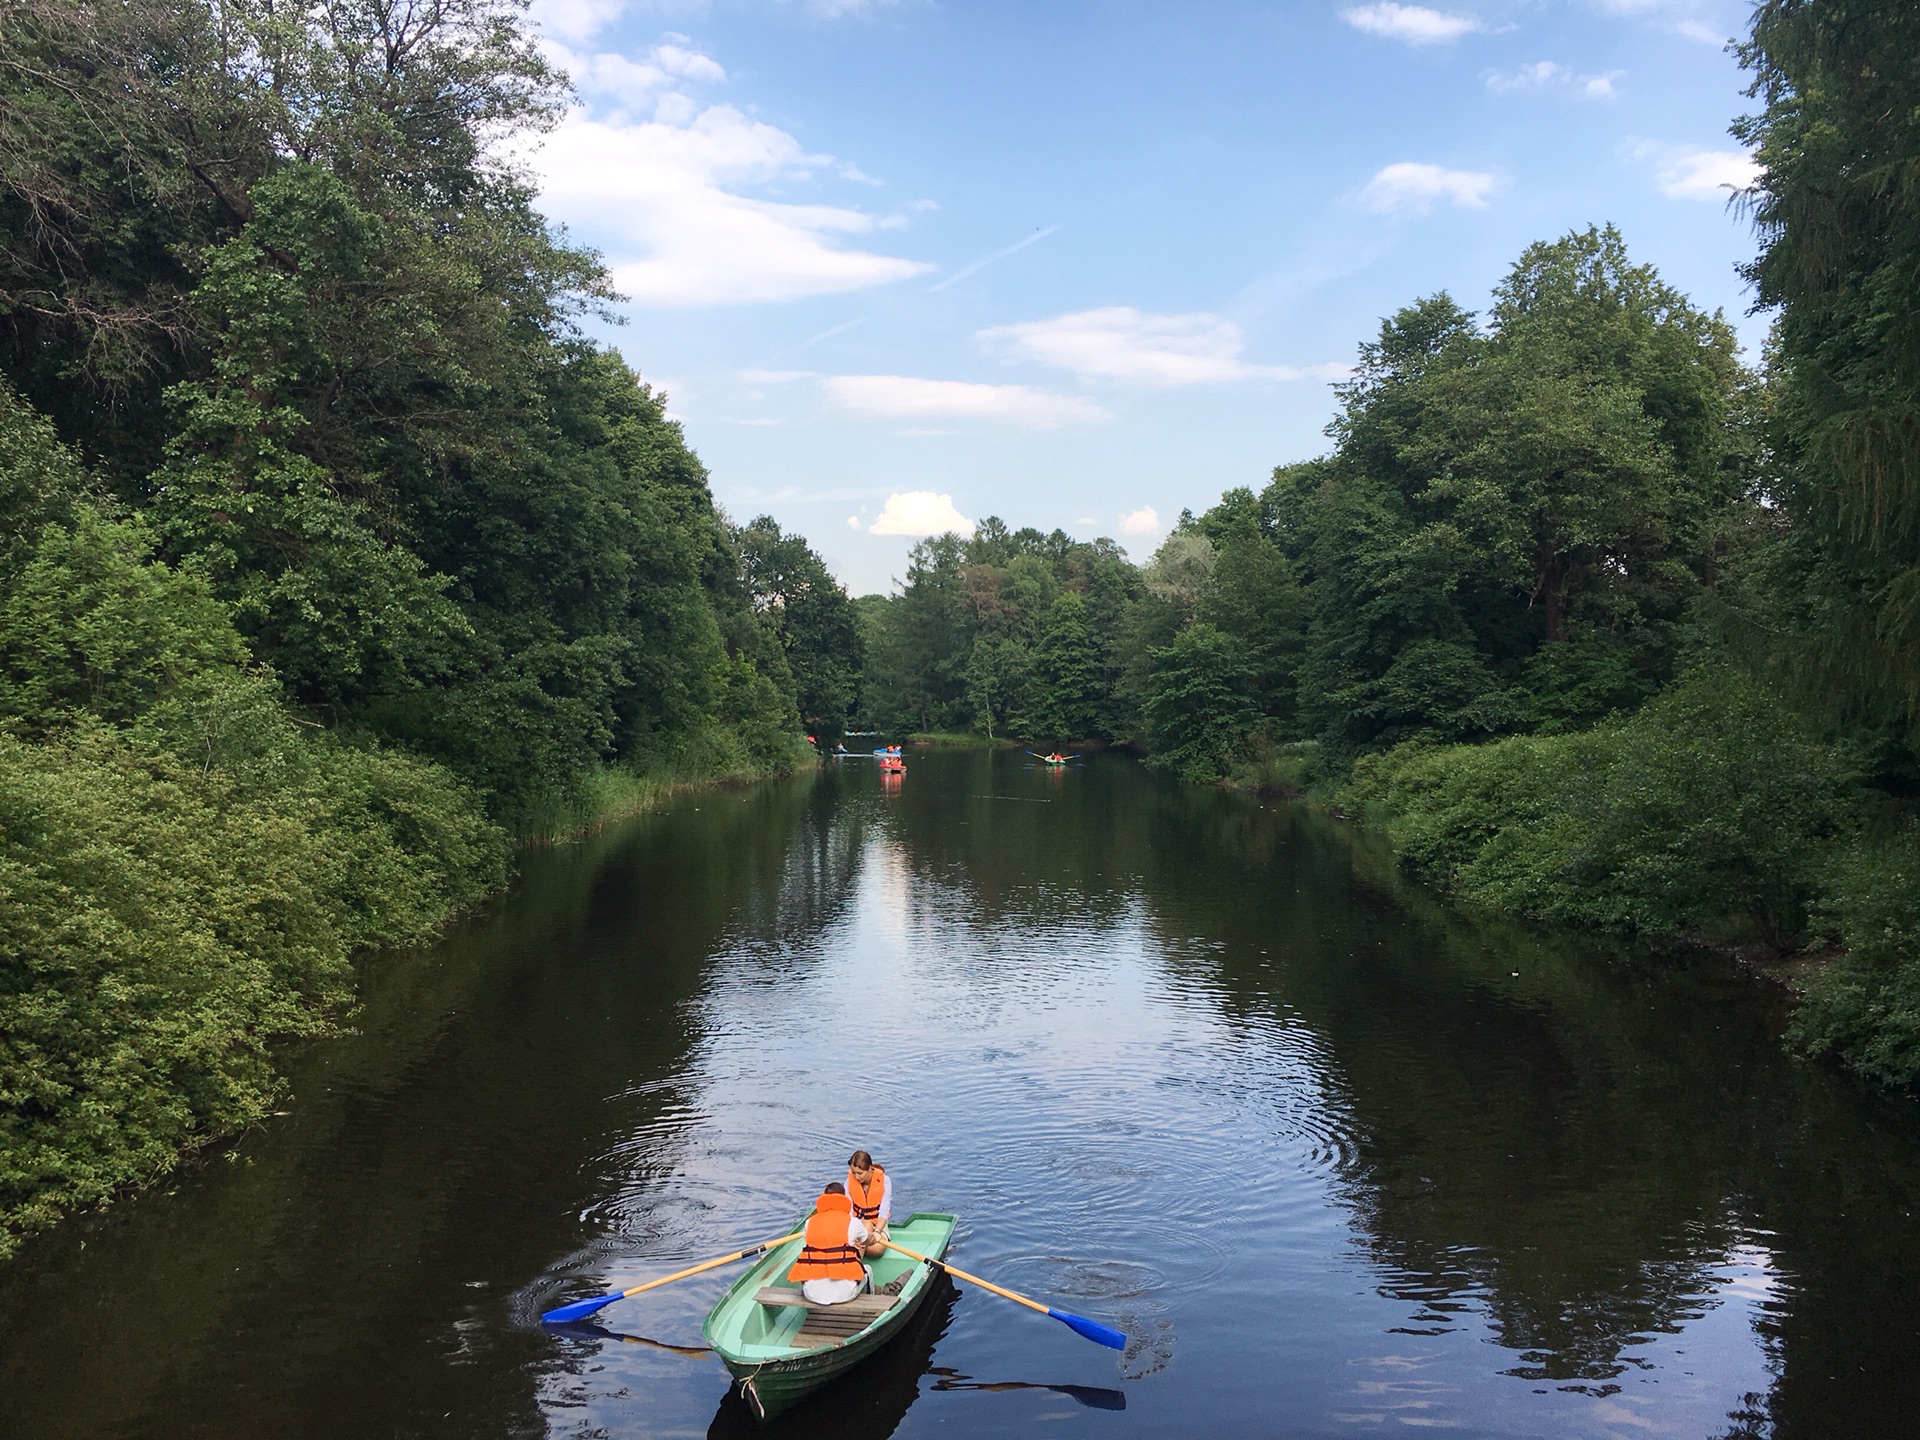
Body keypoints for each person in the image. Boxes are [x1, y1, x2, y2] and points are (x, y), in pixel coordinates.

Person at [787, 1182, 869, 1304]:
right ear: (844, 1199)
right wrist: (874, 1237)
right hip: (845, 1294)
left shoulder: (809, 1223)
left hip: (812, 1294)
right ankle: (868, 1310)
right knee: (867, 1270)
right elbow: (867, 1240)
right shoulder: (853, 1222)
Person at [846, 1150, 891, 1258]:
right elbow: (849, 1212)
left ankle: (854, 1249)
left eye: (860, 1173)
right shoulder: (848, 1183)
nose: (857, 1177)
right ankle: (857, 1269)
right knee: (866, 1225)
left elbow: (883, 1212)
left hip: (878, 1226)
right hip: (858, 1224)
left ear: (870, 1168)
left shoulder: (885, 1181)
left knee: (877, 1250)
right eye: (854, 1172)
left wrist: (876, 1232)